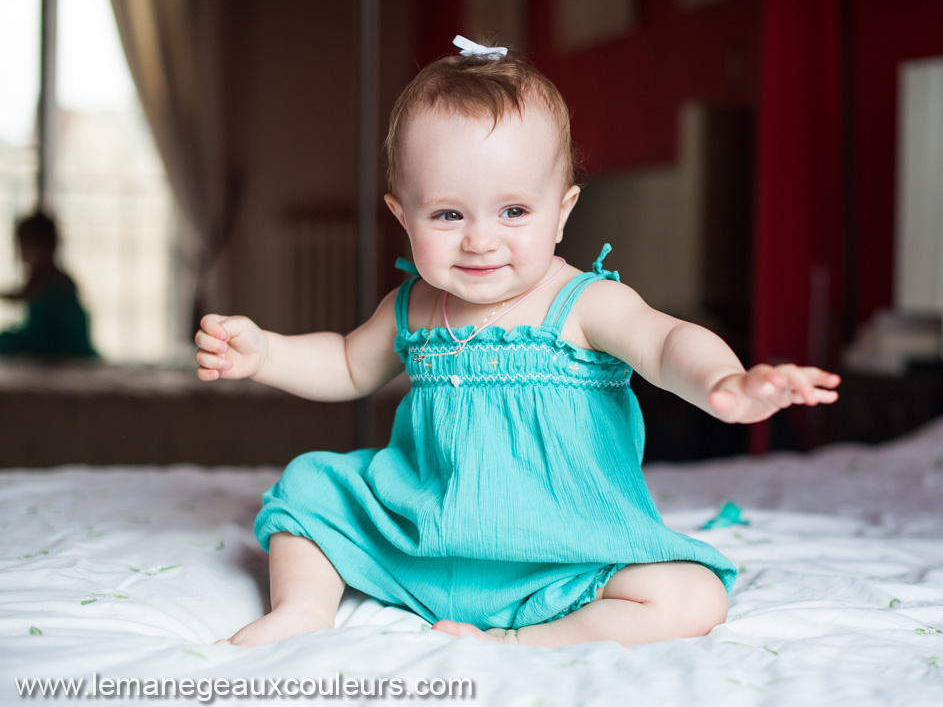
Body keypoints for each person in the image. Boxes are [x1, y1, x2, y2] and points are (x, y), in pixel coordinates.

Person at [194, 36, 840, 649]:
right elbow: (343, 362)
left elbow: (668, 342)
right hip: (419, 538)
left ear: (562, 210)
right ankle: (303, 610)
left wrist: (724, 384)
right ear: (402, 216)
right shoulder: (414, 306)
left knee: (694, 596)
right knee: (308, 487)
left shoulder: (585, 304)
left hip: (558, 561)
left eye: (513, 212)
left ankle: (521, 639)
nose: (480, 240)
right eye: (448, 214)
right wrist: (267, 353)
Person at [0, 211, 97, 358]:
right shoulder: (63, 276)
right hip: (69, 344)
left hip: (53, 344)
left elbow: (18, 296)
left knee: (6, 340)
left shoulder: (42, 277)